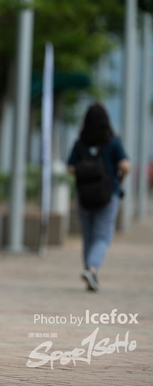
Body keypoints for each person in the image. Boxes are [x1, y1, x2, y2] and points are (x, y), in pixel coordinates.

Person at [67, 103, 129, 292]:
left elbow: (70, 168)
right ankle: (92, 269)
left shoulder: (80, 143)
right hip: (108, 195)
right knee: (102, 236)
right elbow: (125, 166)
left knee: (88, 235)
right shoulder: (113, 142)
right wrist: (119, 179)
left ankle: (89, 270)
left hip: (84, 195)